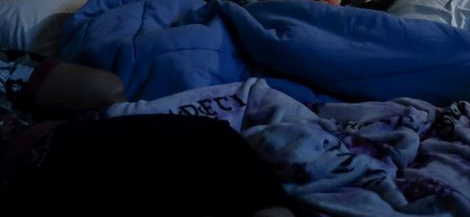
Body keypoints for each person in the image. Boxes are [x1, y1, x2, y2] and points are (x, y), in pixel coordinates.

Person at [0, 49, 292, 216]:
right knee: (210, 144)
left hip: (40, 152)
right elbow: (105, 89)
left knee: (211, 144)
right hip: (32, 156)